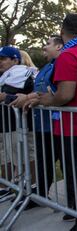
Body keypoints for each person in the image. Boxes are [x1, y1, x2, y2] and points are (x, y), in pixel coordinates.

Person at [24, 13, 77, 231]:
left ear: (62, 31)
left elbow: (65, 95)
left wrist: (46, 99)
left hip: (73, 126)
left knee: (76, 173)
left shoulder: (69, 55)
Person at [11, 35, 64, 209]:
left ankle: (76, 205)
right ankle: (41, 195)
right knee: (44, 162)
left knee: (65, 164)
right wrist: (30, 97)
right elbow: (40, 90)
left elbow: (53, 91)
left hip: (58, 124)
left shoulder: (61, 65)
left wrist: (28, 97)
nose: (44, 48)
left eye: (47, 44)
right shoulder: (45, 67)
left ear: (58, 46)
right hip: (42, 123)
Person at [0, 46, 34, 192]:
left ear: (15, 60)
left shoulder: (21, 72)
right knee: (5, 157)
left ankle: (30, 188)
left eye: (3, 59)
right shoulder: (4, 74)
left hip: (18, 124)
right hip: (5, 125)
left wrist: (5, 97)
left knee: (23, 157)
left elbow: (9, 95)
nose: (0, 62)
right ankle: (7, 187)